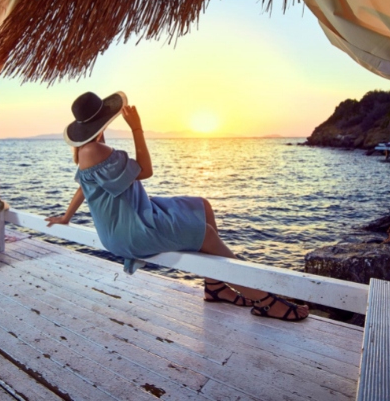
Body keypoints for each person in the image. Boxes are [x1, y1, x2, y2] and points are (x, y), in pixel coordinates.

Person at [45, 91, 308, 322]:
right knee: (204, 233)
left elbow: (83, 188)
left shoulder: (84, 152)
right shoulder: (96, 150)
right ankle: (264, 301)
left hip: (136, 211)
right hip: (130, 228)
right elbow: (145, 171)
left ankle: (215, 286)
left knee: (201, 206)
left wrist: (67, 217)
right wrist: (137, 129)